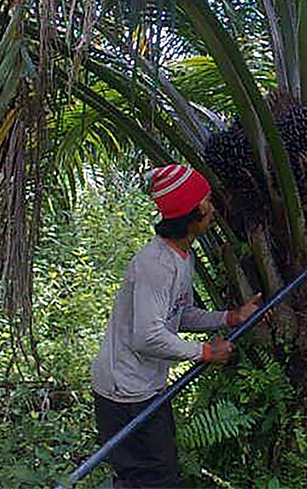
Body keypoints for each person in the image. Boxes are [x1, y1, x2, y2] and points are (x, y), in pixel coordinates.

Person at [91, 164, 261, 488]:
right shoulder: (154, 265)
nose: (213, 208)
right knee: (156, 478)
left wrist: (230, 317)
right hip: (124, 389)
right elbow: (147, 336)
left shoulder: (182, 255)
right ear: (192, 214)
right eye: (207, 202)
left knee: (150, 475)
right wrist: (205, 352)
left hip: (144, 384)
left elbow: (180, 315)